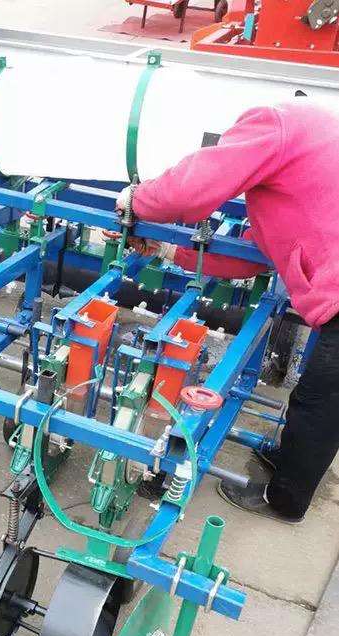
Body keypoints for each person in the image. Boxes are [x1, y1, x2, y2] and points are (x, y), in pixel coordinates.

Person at [115, 100, 339, 524]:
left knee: (320, 403)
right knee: (319, 396)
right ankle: (289, 459)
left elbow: (190, 190)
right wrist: (166, 250)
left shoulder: (273, 122)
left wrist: (137, 200)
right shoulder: (306, 156)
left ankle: (285, 500)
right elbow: (255, 256)